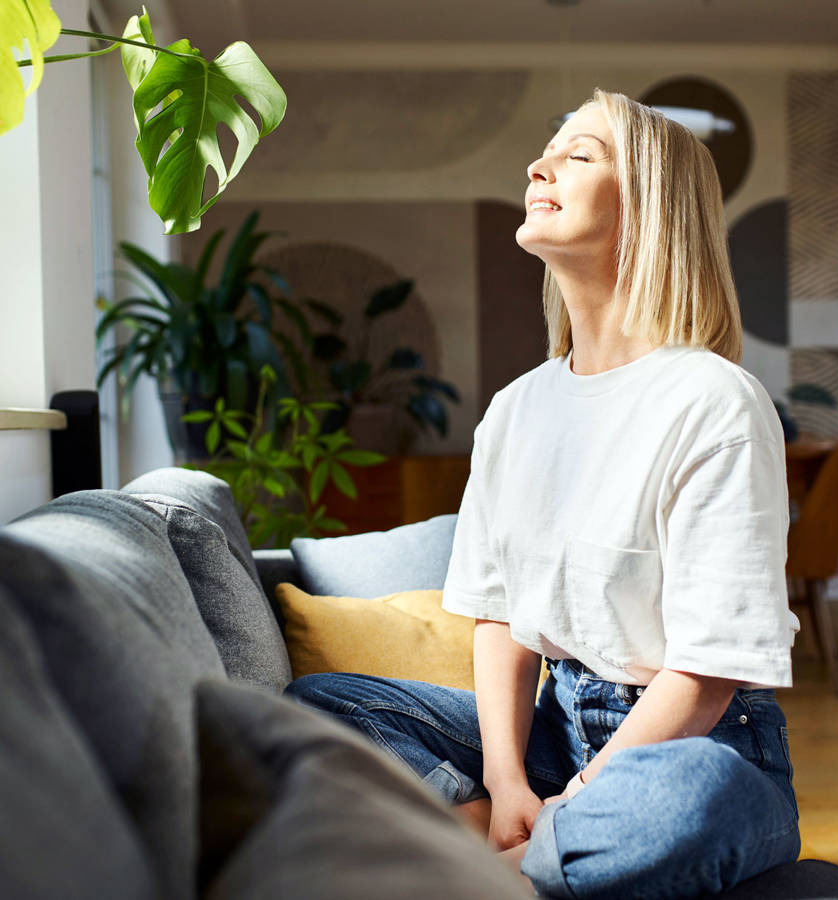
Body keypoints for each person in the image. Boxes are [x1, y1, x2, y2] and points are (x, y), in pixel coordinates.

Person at [286, 88, 802, 899]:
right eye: (546, 149)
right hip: (552, 731)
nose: (538, 167)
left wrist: (588, 797)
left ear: (650, 208)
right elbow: (501, 618)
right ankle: (511, 846)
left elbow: (707, 673)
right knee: (317, 703)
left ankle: (471, 871)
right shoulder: (517, 408)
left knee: (691, 797)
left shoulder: (716, 402)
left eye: (579, 154)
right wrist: (507, 783)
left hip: (698, 742)